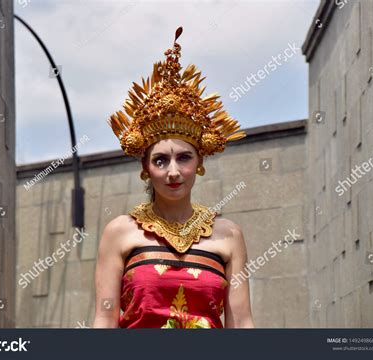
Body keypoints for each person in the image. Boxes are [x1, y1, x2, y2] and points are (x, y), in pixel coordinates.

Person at [93, 27, 254, 328]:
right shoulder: (120, 233)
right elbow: (104, 319)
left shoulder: (229, 236)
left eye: (184, 158)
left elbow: (242, 323)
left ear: (200, 162)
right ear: (145, 167)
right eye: (160, 160)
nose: (173, 172)